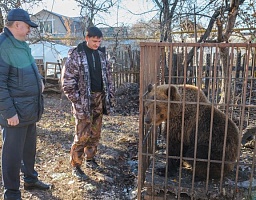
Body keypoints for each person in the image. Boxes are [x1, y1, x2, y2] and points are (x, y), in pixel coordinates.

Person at [0, 8, 50, 200]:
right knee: (12, 155)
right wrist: (9, 112)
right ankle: (11, 193)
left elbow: (30, 67)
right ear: (17, 25)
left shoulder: (20, 44)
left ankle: (30, 179)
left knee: (29, 149)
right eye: (28, 26)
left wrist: (40, 81)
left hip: (29, 110)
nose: (30, 30)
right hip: (14, 114)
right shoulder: (3, 45)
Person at [61, 26, 115, 181]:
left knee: (95, 132)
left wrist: (109, 95)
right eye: (94, 41)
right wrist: (77, 101)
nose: (97, 44)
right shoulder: (76, 55)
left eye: (99, 41)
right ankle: (76, 165)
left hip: (99, 98)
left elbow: (108, 77)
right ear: (87, 38)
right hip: (83, 101)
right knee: (82, 134)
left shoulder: (102, 55)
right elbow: (68, 82)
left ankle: (90, 159)